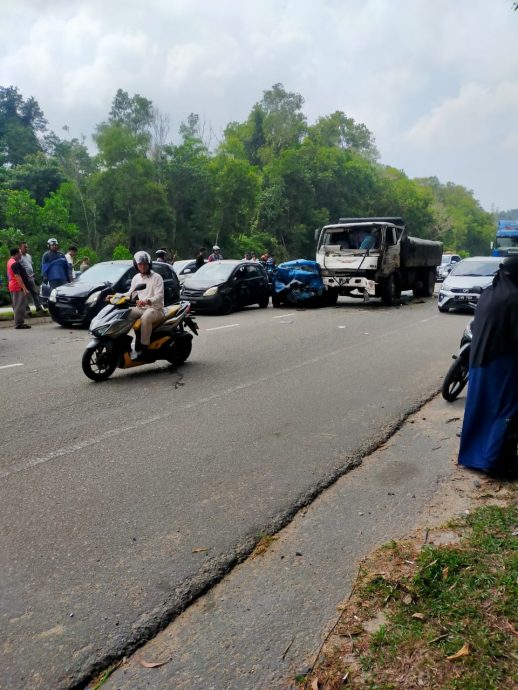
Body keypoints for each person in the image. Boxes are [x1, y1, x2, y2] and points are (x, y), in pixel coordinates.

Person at [458, 256, 518, 476]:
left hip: (478, 361)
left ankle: (471, 456)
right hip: (501, 364)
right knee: (505, 411)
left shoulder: (488, 294)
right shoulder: (513, 298)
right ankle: (494, 462)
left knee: (479, 409)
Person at [124, 251, 165, 359]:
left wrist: (147, 301)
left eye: (145, 264)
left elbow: (159, 296)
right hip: (142, 308)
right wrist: (114, 296)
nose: (142, 266)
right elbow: (130, 294)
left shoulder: (157, 277)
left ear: (149, 264)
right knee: (125, 314)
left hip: (156, 309)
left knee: (145, 318)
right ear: (136, 265)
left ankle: (144, 348)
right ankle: (123, 343)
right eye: (140, 264)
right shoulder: (136, 278)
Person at [7, 247, 31, 329]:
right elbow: (17, 276)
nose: (21, 255)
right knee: (19, 306)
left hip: (13, 285)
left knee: (16, 305)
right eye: (20, 253)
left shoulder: (10, 261)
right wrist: (24, 288)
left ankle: (19, 322)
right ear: (16, 254)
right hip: (17, 287)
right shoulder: (14, 263)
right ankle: (19, 323)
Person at [18, 240, 45, 313]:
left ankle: (38, 307)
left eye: (27, 247)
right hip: (23, 278)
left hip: (31, 277)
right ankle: (27, 309)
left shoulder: (29, 256)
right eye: (25, 247)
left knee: (34, 292)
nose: (27, 248)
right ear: (20, 248)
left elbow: (30, 266)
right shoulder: (19, 257)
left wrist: (33, 276)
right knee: (24, 294)